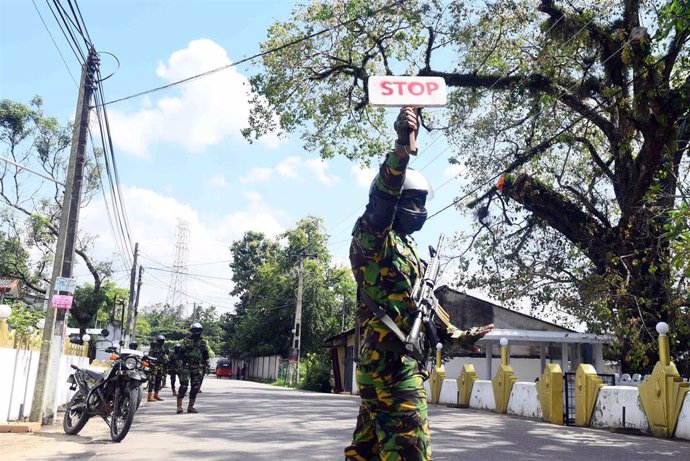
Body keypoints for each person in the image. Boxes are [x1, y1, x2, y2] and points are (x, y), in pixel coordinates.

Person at [345, 107, 494, 461]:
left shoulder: (410, 249)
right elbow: (382, 199)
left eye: (422, 202)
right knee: (411, 452)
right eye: (412, 201)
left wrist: (458, 336)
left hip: (394, 367)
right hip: (391, 367)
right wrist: (401, 147)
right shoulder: (373, 240)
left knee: (366, 452)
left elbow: (424, 308)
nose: (420, 209)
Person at [176, 322, 210, 414]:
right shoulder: (186, 341)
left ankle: (190, 407)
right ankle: (179, 406)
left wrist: (207, 365)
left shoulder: (203, 342)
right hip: (186, 366)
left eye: (198, 330)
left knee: (195, 387)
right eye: (194, 330)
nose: (196, 332)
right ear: (191, 331)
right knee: (184, 385)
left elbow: (206, 354)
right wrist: (179, 365)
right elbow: (180, 354)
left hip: (198, 366)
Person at [147, 334, 168, 402]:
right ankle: (149, 396)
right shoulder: (153, 349)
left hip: (160, 366)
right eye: (160, 341)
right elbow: (149, 357)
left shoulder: (162, 348)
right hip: (154, 366)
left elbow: (165, 357)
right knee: (152, 381)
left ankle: (156, 395)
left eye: (162, 341)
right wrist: (156, 359)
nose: (161, 342)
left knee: (158, 381)